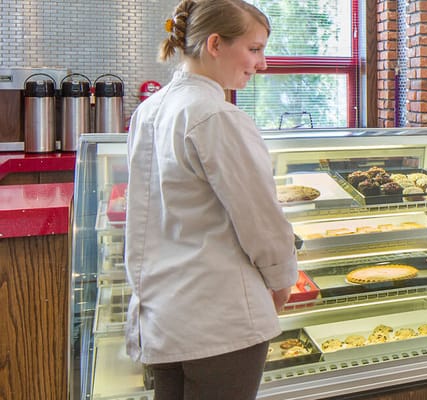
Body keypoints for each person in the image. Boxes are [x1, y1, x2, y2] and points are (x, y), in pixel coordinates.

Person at [124, 1, 296, 399]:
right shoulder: (216, 115)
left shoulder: (148, 112)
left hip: (163, 319)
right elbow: (261, 221)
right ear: (215, 44)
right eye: (254, 49)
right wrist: (282, 279)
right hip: (220, 324)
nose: (262, 63)